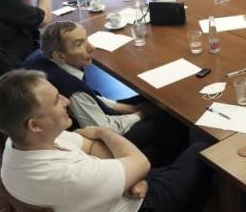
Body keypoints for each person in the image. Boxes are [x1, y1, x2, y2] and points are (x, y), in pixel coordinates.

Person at [0, 69, 218, 212]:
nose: (66, 101)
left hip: (101, 210)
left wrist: (134, 176)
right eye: (56, 101)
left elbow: (91, 146)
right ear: (34, 125)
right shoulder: (71, 176)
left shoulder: (19, 143)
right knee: (202, 150)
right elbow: (141, 161)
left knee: (179, 168)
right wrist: (103, 132)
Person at [24, 21, 188, 165]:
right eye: (79, 44)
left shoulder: (41, 57)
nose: (92, 48)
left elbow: (92, 98)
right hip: (95, 139)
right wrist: (140, 114)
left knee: (149, 99)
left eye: (87, 39)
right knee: (168, 118)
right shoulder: (71, 89)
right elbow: (104, 128)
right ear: (59, 56)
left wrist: (130, 108)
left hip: (85, 117)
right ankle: (165, 165)